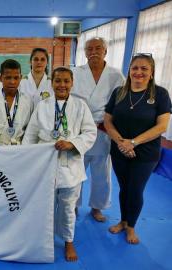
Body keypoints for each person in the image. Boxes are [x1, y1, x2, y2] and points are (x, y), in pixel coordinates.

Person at [23, 67, 97, 261]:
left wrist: (72, 143)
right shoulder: (42, 105)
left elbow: (90, 133)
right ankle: (40, 238)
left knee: (67, 207)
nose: (62, 85)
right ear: (52, 83)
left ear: (72, 83)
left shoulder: (81, 106)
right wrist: (27, 158)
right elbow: (31, 134)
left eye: (66, 81)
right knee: (42, 205)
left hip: (70, 166)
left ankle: (68, 241)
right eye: (58, 81)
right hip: (44, 164)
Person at [104, 53, 171, 244]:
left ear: (151, 73)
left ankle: (131, 227)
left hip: (146, 153)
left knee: (135, 190)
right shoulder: (119, 92)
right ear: (130, 70)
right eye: (135, 68)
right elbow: (108, 121)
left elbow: (161, 127)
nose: (139, 72)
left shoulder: (160, 94)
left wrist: (133, 142)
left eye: (144, 69)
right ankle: (123, 221)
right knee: (124, 188)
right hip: (119, 150)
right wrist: (121, 142)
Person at [71, 37, 124, 221]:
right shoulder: (76, 72)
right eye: (89, 49)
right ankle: (74, 205)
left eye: (98, 48)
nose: (93, 52)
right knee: (76, 171)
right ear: (85, 52)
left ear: (105, 51)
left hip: (103, 129)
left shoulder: (116, 75)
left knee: (102, 173)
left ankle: (97, 207)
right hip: (80, 129)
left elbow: (121, 103)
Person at [0, 59, 33, 145]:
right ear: (0, 78)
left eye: (16, 78)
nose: (12, 82)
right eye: (8, 78)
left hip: (20, 148)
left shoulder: (28, 101)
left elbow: (31, 130)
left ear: (21, 77)